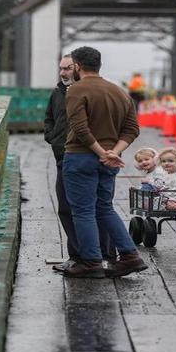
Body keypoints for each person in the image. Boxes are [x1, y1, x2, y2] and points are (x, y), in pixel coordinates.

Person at [60, 46, 147, 279]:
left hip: (81, 158)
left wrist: (100, 152)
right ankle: (130, 256)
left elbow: (80, 129)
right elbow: (132, 129)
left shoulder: (76, 90)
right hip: (109, 161)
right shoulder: (119, 91)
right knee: (104, 208)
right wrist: (113, 153)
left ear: (77, 66)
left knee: (83, 211)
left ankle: (90, 262)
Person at [43, 51, 115, 271]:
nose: (63, 72)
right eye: (61, 68)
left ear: (78, 67)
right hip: (63, 157)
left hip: (88, 157)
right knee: (66, 207)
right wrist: (52, 136)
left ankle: (102, 254)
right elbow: (50, 118)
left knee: (97, 207)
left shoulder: (89, 91)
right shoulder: (57, 93)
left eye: (67, 68)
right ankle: (78, 255)